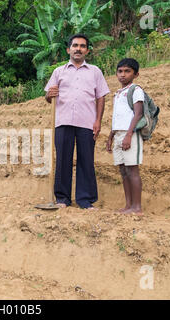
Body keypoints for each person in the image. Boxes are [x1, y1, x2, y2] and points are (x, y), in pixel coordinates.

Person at [45, 34, 110, 209]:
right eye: (75, 45)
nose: (78, 49)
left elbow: (101, 97)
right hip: (63, 121)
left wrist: (98, 121)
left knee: (86, 160)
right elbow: (48, 97)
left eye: (82, 46)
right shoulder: (59, 71)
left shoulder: (95, 71)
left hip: (87, 122)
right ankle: (62, 199)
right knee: (63, 160)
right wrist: (48, 95)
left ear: (87, 50)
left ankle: (85, 200)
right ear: (69, 49)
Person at [106, 58, 144, 214]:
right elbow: (117, 117)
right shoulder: (118, 93)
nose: (123, 74)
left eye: (127, 71)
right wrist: (110, 137)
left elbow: (138, 114)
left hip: (130, 134)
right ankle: (128, 205)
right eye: (120, 71)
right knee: (123, 170)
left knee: (132, 170)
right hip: (119, 134)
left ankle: (137, 207)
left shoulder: (136, 90)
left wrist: (129, 135)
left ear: (136, 74)